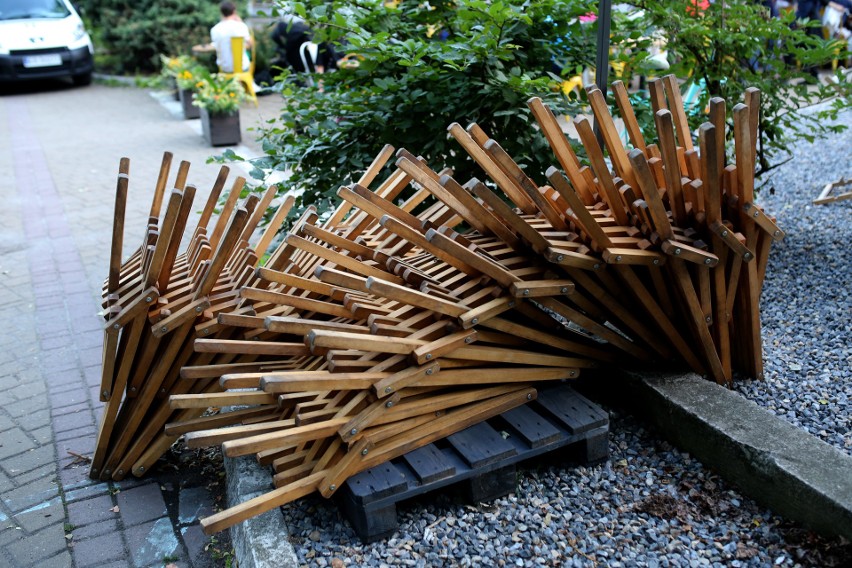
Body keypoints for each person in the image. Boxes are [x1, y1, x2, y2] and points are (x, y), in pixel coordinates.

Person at [194, 1, 252, 73]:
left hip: (224, 69)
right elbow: (250, 44)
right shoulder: (241, 26)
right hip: (242, 67)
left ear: (221, 12)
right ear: (234, 11)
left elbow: (216, 46)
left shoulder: (215, 29)